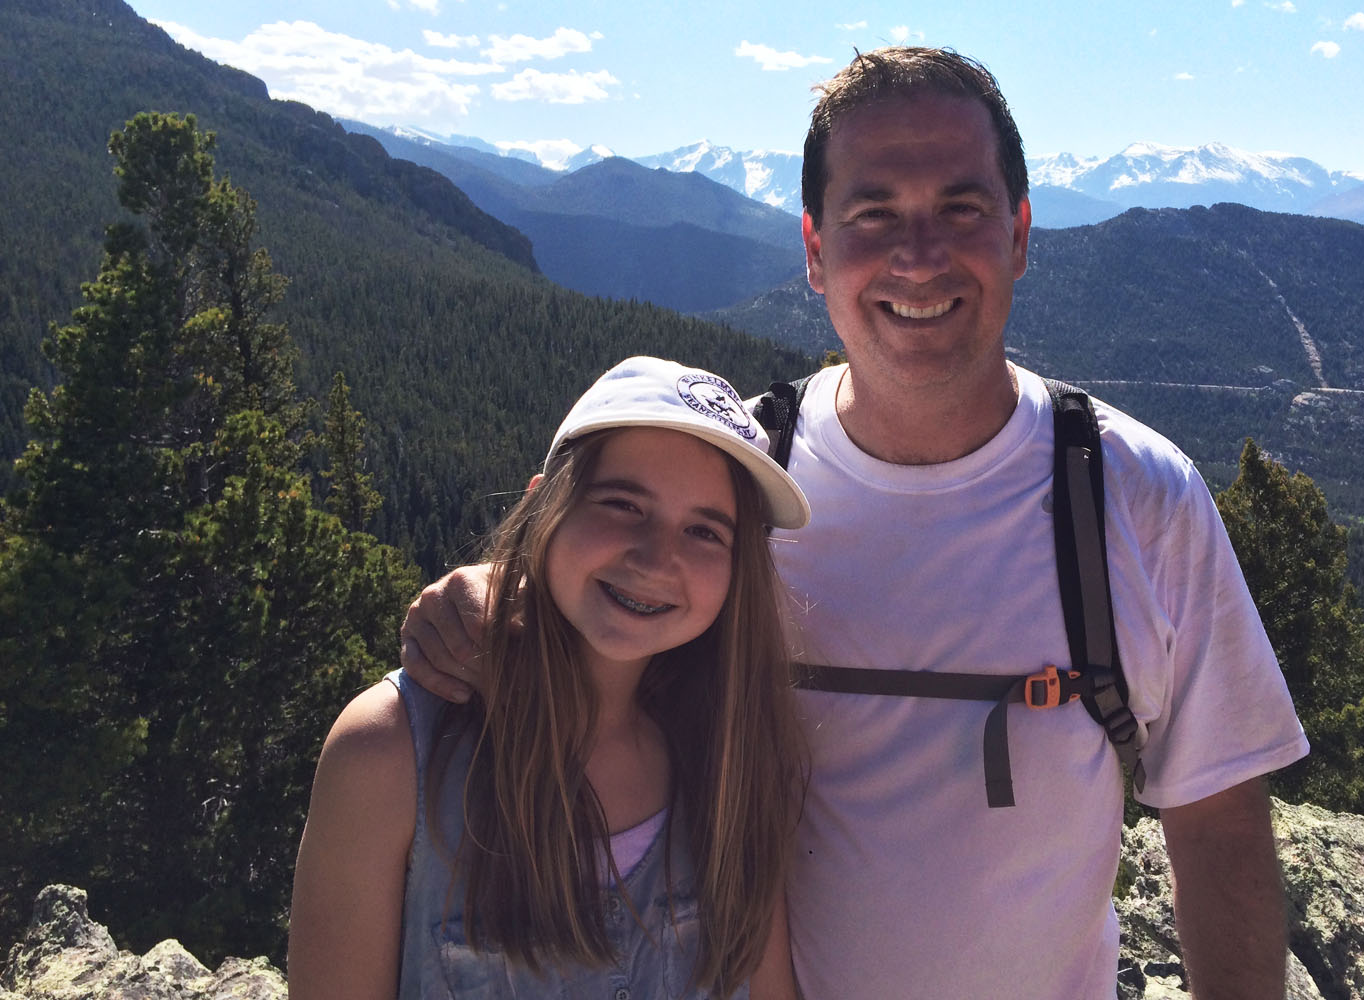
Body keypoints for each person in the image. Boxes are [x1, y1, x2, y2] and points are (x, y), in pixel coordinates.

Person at [401, 47, 1309, 999]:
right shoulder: (745, 475)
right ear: (815, 250)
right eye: (874, 214)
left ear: (1021, 234)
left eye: (962, 208)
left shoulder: (1137, 496)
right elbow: (615, 590)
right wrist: (497, 594)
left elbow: (1218, 826)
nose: (919, 256)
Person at [288, 356, 811, 999]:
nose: (655, 558)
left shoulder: (734, 766)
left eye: (705, 531)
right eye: (623, 505)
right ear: (543, 504)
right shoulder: (390, 751)